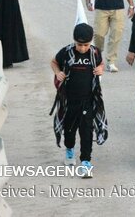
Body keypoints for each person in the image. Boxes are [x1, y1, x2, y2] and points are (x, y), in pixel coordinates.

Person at [50, 23, 107, 175]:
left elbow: (102, 63)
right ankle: (69, 149)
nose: (82, 48)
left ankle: (86, 161)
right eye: (79, 45)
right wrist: (57, 73)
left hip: (88, 99)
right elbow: (54, 62)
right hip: (69, 100)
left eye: (86, 45)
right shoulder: (67, 52)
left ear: (91, 42)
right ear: (74, 41)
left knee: (86, 131)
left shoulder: (94, 53)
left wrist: (101, 69)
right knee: (69, 130)